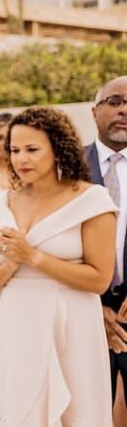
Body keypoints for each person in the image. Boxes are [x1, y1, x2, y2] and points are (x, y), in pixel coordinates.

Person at [0, 106, 127, 427]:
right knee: (30, 426)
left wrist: (33, 257)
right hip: (21, 323)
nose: (20, 158)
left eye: (31, 149)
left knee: (76, 423)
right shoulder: (5, 203)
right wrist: (11, 263)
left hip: (74, 325)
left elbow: (99, 279)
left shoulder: (92, 201)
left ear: (57, 147)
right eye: (14, 149)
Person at [84, 77, 127, 404]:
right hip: (81, 307)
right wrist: (93, 303)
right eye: (114, 101)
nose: (124, 110)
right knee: (86, 413)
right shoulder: (66, 168)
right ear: (94, 111)